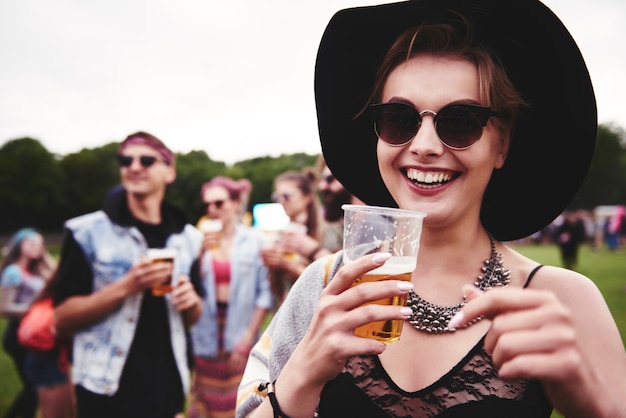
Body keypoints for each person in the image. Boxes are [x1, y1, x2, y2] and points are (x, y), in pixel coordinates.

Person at [236, 1, 626, 417]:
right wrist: (300, 377)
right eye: (399, 119)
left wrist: (588, 399)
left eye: (460, 121)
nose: (423, 146)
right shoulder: (326, 287)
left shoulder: (562, 299)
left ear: (502, 145)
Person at [52, 131, 204, 418]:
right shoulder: (86, 232)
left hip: (168, 386)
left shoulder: (189, 239)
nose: (134, 167)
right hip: (105, 389)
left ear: (169, 172)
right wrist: (127, 286)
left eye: (147, 160)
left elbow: (192, 317)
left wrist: (191, 301)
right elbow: (61, 319)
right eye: (126, 160)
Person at [188, 177, 273, 418]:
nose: (212, 210)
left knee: (238, 406)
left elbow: (264, 295)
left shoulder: (254, 240)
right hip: (207, 337)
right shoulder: (198, 241)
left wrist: (246, 340)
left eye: (219, 203)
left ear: (236, 203)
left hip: (240, 332)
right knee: (206, 407)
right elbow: (190, 288)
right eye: (207, 205)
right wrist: (199, 253)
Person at [1, 228, 59, 418]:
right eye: (32, 243)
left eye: (40, 244)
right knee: (35, 387)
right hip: (18, 335)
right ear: (19, 245)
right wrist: (32, 308)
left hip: (35, 333)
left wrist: (45, 257)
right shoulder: (13, 273)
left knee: (35, 385)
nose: (37, 247)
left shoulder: (36, 269)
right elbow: (3, 309)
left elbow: (58, 279)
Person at [260, 171, 323, 304]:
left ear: (307, 197)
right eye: (277, 197)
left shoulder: (326, 231)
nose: (281, 201)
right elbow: (277, 289)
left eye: (286, 196)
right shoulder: (281, 234)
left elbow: (329, 279)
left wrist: (289, 265)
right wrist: (272, 264)